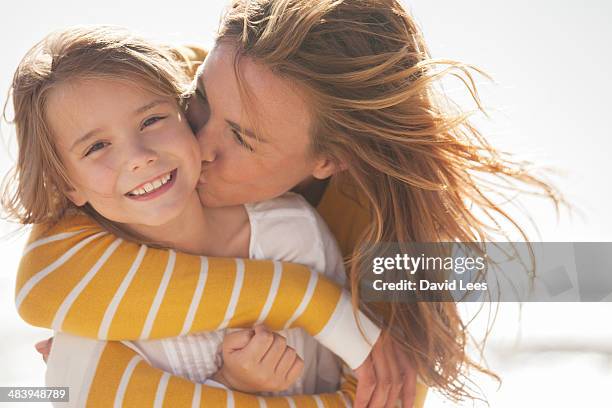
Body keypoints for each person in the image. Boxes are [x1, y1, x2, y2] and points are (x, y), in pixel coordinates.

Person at [8, 0, 560, 405]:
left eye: (242, 139)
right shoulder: (146, 96)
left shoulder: (375, 240)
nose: (195, 144)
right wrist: (308, 301)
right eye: (197, 102)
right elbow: (46, 284)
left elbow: (385, 390)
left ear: (330, 160)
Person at [5, 25, 391, 407]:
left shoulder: (292, 233)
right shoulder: (85, 292)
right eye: (97, 146)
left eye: (151, 121)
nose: (139, 156)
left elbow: (353, 381)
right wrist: (231, 383)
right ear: (68, 185)